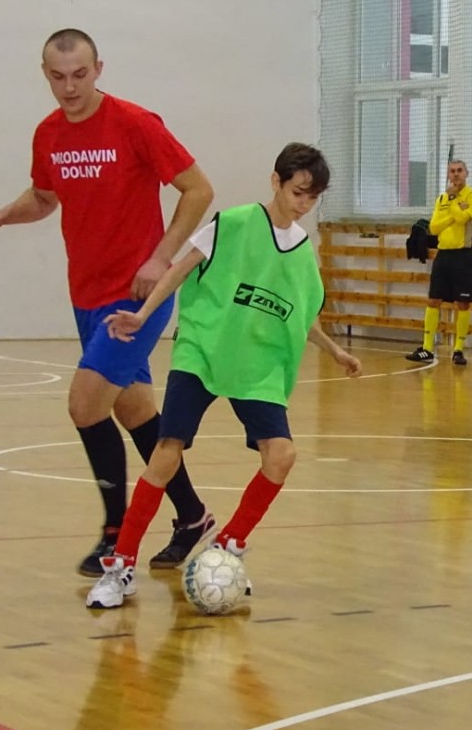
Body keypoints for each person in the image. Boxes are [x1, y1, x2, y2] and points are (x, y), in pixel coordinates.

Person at [0, 28, 217, 577]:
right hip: (85, 294)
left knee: (85, 405)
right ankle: (192, 515)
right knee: (134, 409)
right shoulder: (48, 133)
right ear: (45, 74)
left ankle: (114, 537)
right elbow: (44, 197)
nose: (70, 87)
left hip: (137, 295)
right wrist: (4, 215)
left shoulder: (135, 123)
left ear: (98, 69)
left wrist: (161, 258)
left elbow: (198, 189)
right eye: (58, 77)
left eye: (80, 74)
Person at [85, 142, 363, 609]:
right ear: (275, 182)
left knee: (282, 455)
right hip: (203, 352)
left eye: (313, 198)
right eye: (297, 192)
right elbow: (178, 271)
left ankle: (228, 547)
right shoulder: (232, 223)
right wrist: (143, 314)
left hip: (257, 368)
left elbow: (298, 316)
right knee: (166, 452)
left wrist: (335, 350)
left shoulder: (303, 254)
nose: (304, 204)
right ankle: (121, 566)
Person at [405, 159, 472, 365]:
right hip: (444, 255)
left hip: (464, 255)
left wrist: (454, 201)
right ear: (448, 175)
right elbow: (434, 227)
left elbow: (463, 218)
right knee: (433, 300)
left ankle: (458, 349)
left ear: (466, 173)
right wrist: (452, 210)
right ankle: (427, 348)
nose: (456, 174)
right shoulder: (442, 198)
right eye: (452, 171)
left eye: (459, 171)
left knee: (462, 303)